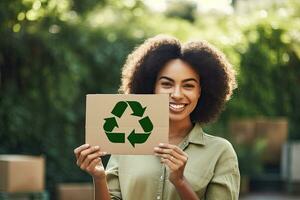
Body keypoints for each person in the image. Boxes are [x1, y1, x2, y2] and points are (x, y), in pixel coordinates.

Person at [74, 35, 240, 200]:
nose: (176, 94)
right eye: (167, 84)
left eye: (188, 85)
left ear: (201, 92)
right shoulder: (125, 142)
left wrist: (181, 182)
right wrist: (99, 178)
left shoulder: (220, 152)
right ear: (151, 88)